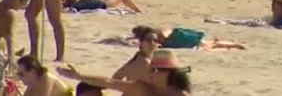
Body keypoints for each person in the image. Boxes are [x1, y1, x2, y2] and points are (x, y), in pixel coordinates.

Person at [57, 49, 192, 96]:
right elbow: (109, 82)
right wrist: (77, 76)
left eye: (154, 70)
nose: (150, 72)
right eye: (151, 69)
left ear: (167, 73)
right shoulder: (141, 88)